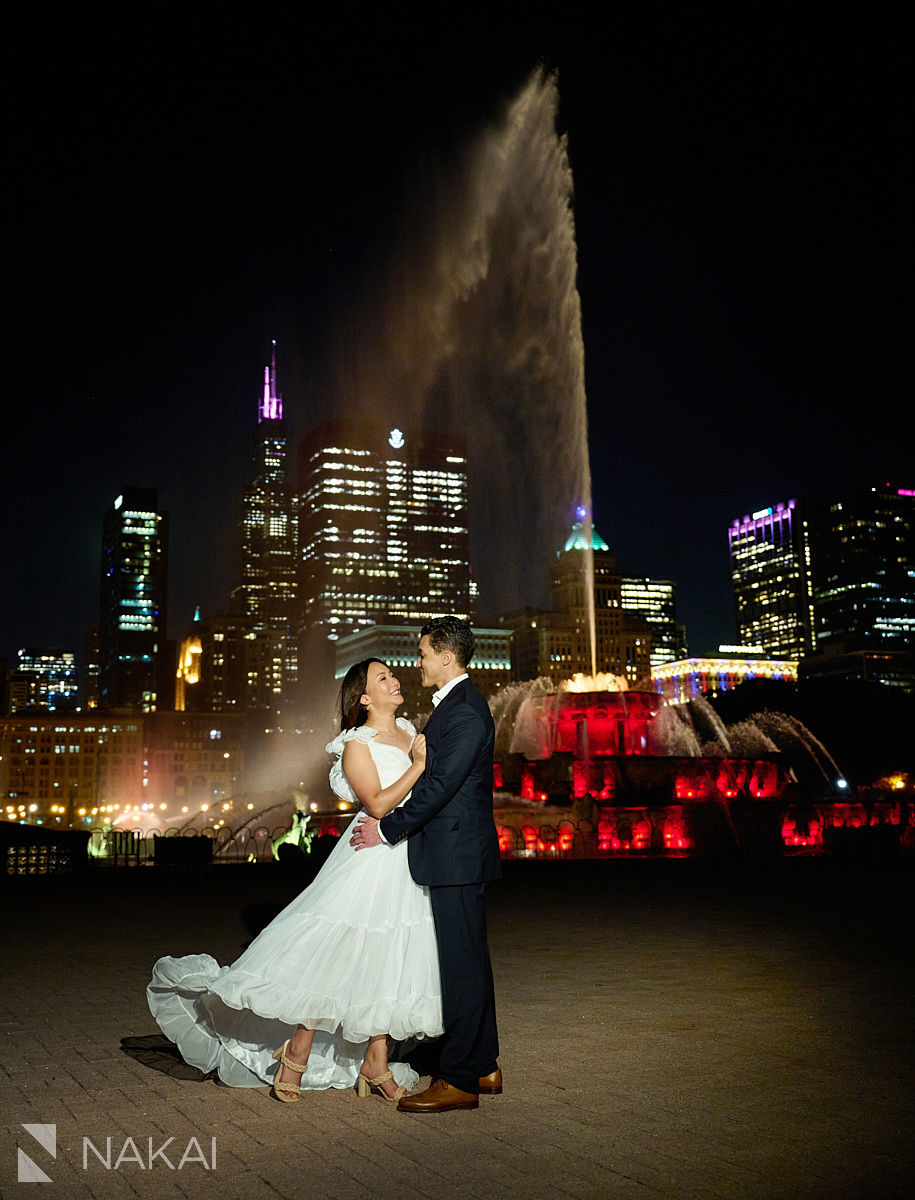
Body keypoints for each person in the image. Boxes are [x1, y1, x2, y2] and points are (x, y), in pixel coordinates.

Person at [147, 659, 442, 1103]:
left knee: (390, 956)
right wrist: (418, 766)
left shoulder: (408, 729)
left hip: (406, 855)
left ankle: (376, 1061)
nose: (394, 680)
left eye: (392, 675)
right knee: (338, 952)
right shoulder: (357, 743)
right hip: (370, 854)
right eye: (382, 678)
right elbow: (378, 804)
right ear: (363, 697)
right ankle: (297, 1049)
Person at [351, 616, 502, 1112]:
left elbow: (440, 788)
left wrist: (389, 828)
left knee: (461, 968)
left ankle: (458, 1080)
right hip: (459, 853)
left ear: (446, 657)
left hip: (456, 855)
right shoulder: (455, 708)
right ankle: (482, 1065)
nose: (415, 664)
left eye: (421, 655)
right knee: (470, 963)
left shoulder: (463, 712)